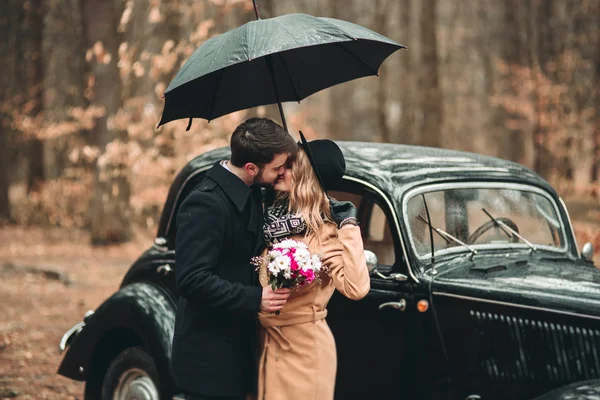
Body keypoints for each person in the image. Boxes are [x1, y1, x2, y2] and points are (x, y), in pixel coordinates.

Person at [171, 118, 298, 400]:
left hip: (241, 346)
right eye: (277, 168)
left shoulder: (254, 190)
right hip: (209, 354)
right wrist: (256, 298)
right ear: (251, 168)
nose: (281, 174)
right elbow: (191, 280)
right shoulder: (205, 202)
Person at [257, 132, 371, 400]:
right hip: (267, 344)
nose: (281, 170)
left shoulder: (325, 232)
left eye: (289, 165)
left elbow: (356, 288)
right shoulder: (271, 223)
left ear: (305, 176)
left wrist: (349, 227)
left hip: (305, 350)